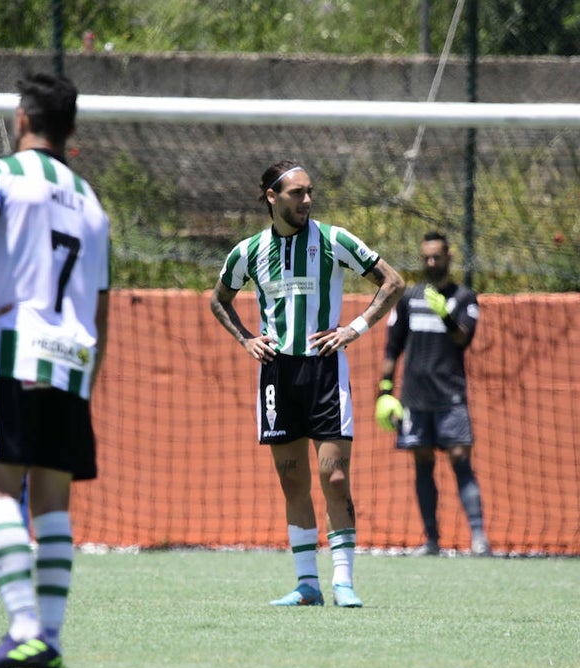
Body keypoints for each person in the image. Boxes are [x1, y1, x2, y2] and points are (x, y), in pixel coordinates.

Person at [0, 72, 110, 668]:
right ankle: (49, 636)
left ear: (22, 118)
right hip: (71, 358)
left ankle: (22, 627)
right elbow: (100, 304)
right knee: (52, 502)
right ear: (71, 130)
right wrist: (89, 378)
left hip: (12, 352)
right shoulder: (93, 203)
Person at [210, 160, 405, 607]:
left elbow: (392, 282)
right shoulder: (248, 252)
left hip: (324, 369)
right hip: (278, 374)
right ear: (271, 197)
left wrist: (352, 329)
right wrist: (246, 340)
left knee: (334, 476)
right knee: (292, 479)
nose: (307, 200)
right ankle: (306, 585)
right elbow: (218, 301)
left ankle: (343, 582)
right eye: (297, 193)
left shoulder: (334, 240)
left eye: (310, 192)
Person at [375, 232, 490, 557]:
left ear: (448, 258)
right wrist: (385, 391)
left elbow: (462, 341)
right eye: (426, 257)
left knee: (459, 458)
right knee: (422, 462)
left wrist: (446, 315)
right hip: (415, 399)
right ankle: (432, 540)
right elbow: (392, 348)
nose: (431, 263)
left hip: (450, 397)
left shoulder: (464, 298)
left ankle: (479, 538)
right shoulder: (409, 298)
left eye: (437, 257)